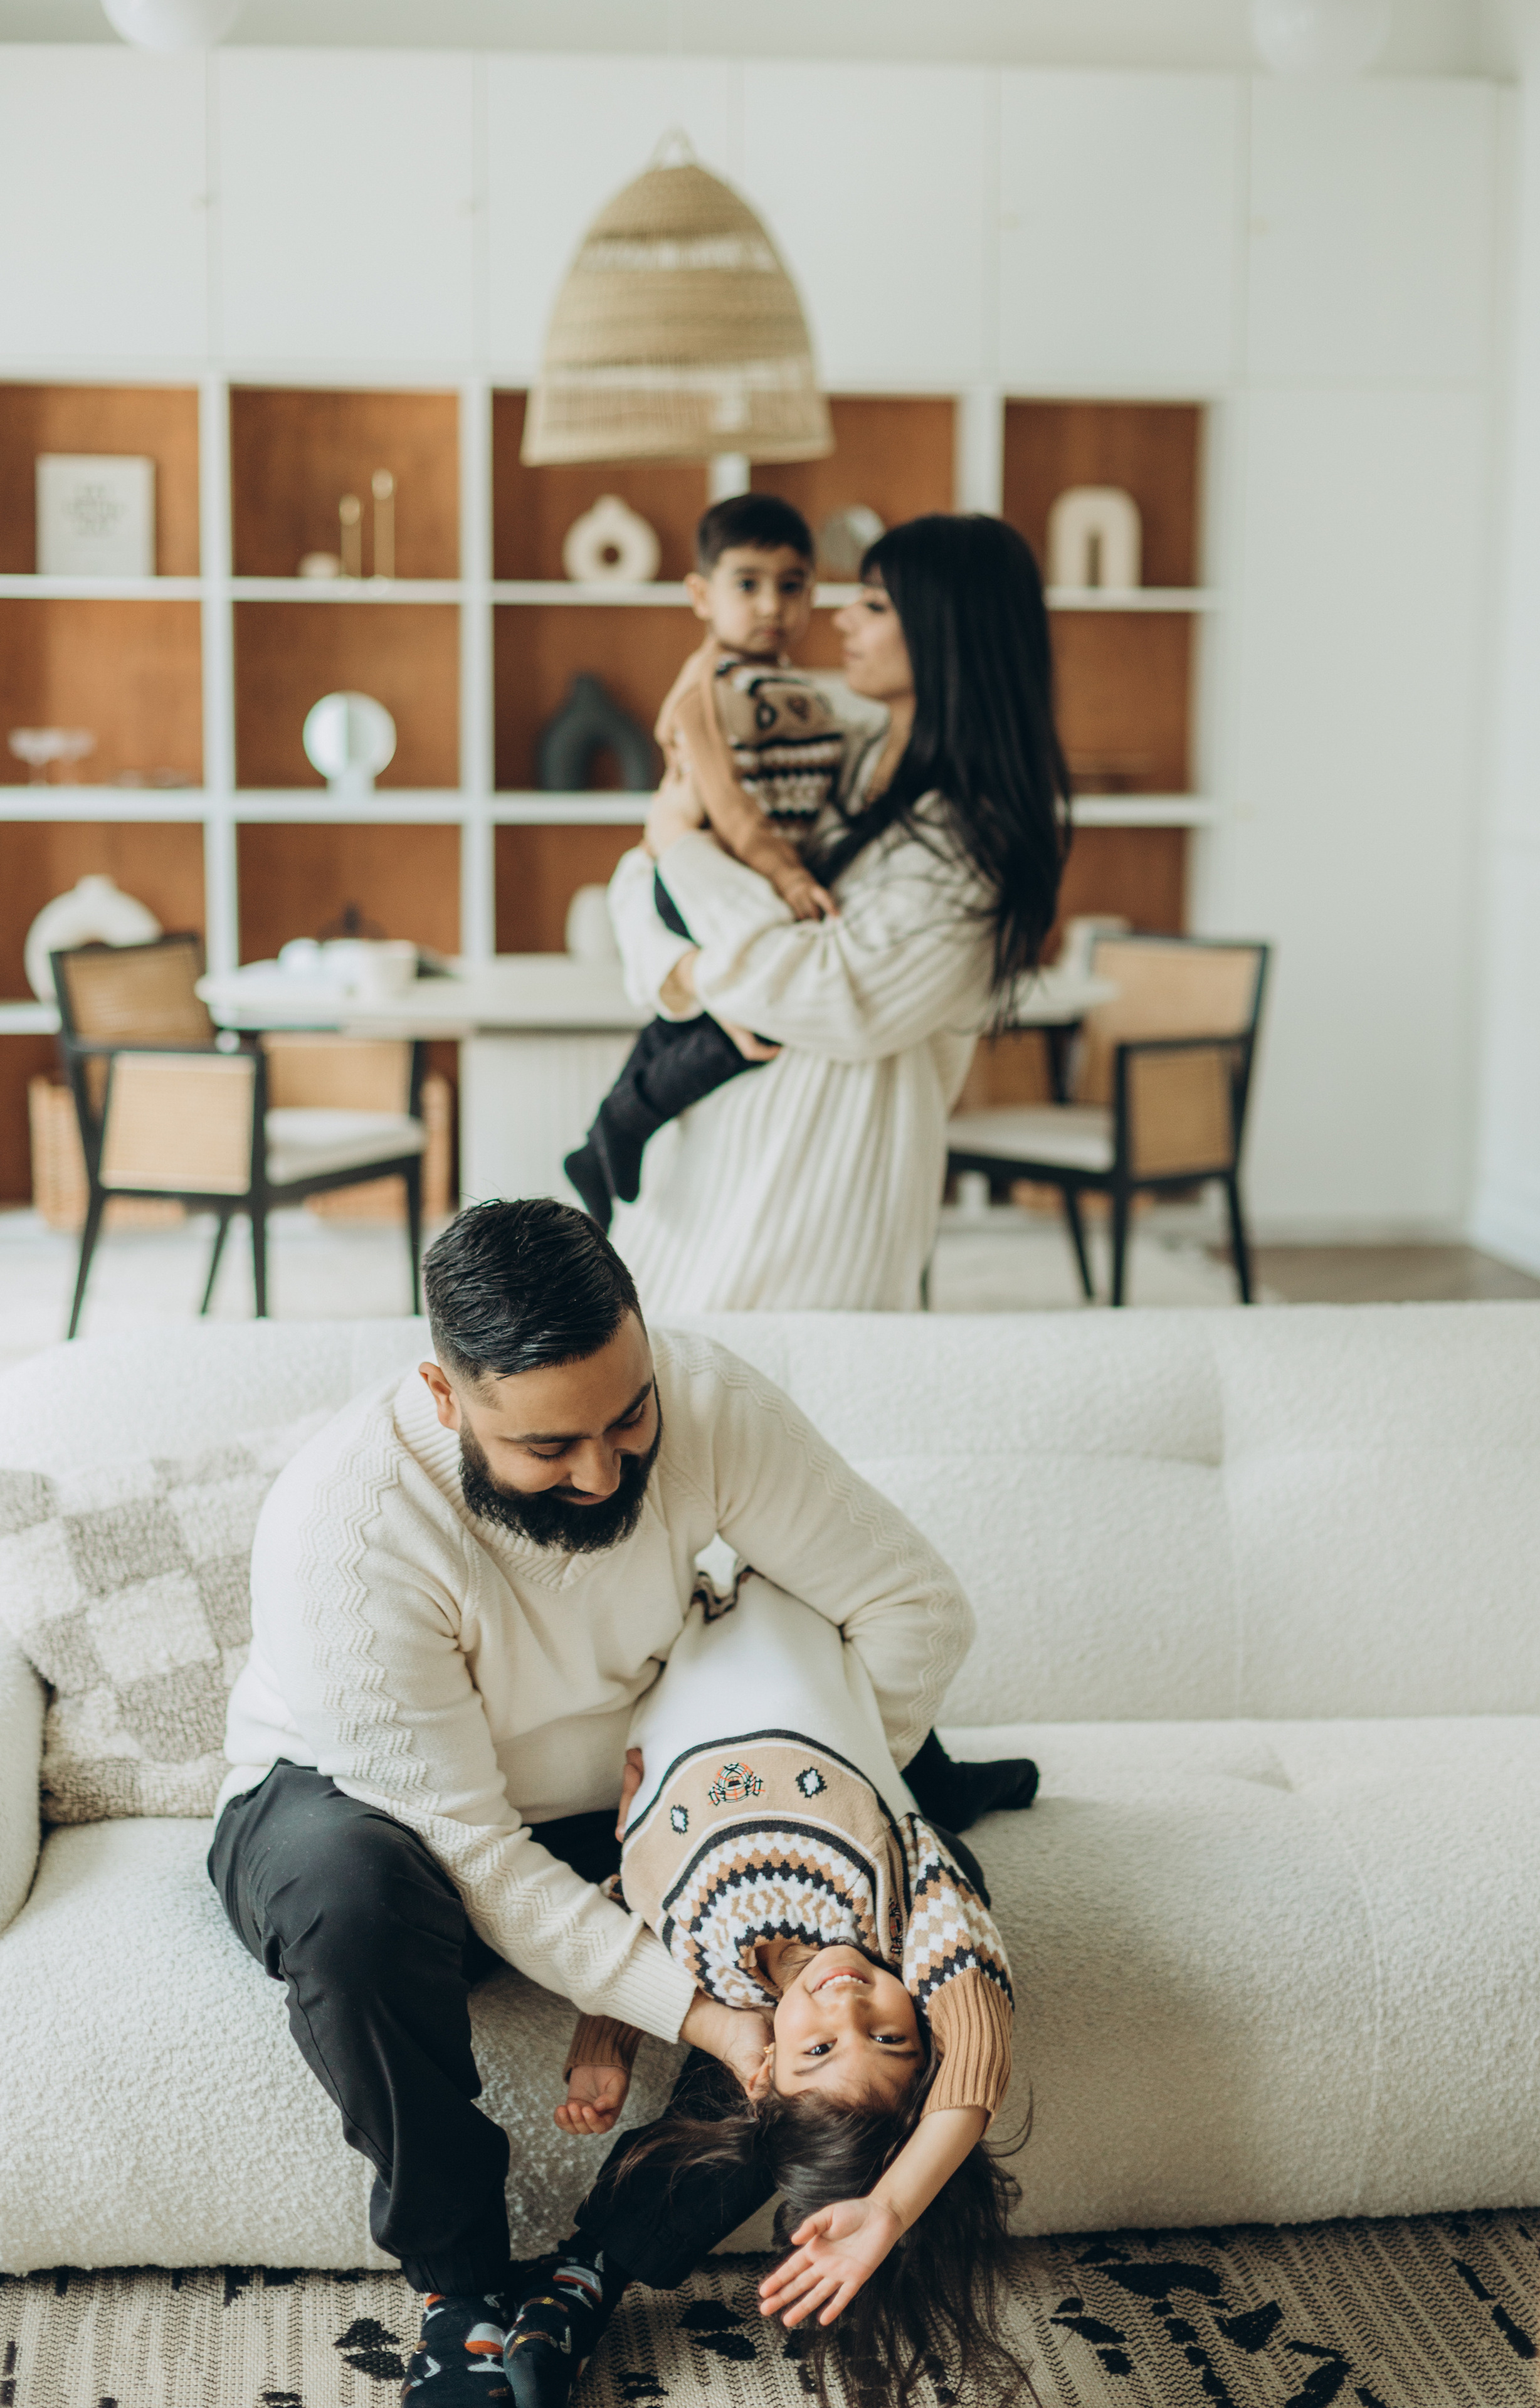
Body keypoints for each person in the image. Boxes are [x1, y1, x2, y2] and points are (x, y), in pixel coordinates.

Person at [206, 1198, 1035, 2405]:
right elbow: (477, 1854)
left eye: (628, 1417)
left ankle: (598, 2265)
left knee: (884, 1906)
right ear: (445, 1397)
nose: (603, 1473)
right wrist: (709, 2019)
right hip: (372, 1809)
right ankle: (461, 2289)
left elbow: (915, 1610)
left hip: (642, 1796)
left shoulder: (704, 1401)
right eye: (550, 1447)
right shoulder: (343, 1530)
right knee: (354, 1907)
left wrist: (830, 1792)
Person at [501, 1576, 1024, 2408]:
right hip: (840, 1748)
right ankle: (948, 1785)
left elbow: (632, 1921)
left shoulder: (731, 1975)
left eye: (823, 2042)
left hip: (729, 1791)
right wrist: (890, 2208)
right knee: (833, 2091)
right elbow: (975, 2044)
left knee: (803, 2123)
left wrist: (607, 2039)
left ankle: (585, 2274)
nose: (849, 2007)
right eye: (891, 2035)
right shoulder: (909, 1907)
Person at [606, 510, 1071, 1314]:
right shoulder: (832, 752)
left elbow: (834, 996)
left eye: (875, 604)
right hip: (711, 1161)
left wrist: (684, 853)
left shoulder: (972, 839)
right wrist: (689, 969)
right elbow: (634, 879)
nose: (840, 617)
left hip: (823, 1198)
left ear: (949, 631)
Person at [564, 493, 865, 1230]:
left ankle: (600, 1139)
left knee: (697, 1021)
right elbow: (729, 804)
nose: (771, 606)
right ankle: (627, 1120)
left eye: (791, 586)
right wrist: (787, 874)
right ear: (701, 595)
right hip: (704, 874)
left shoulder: (786, 684)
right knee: (755, 1025)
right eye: (747, 584)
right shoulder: (705, 692)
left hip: (744, 874)